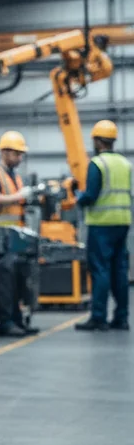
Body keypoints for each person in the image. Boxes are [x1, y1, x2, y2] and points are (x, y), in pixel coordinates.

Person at [73, 120, 130, 331]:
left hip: (101, 224)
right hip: (122, 222)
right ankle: (121, 318)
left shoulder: (97, 164)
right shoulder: (125, 164)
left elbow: (91, 195)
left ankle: (99, 318)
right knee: (120, 271)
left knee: (100, 270)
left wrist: (77, 197)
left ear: (97, 141)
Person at [0, 132, 39, 336]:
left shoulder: (14, 176)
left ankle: (17, 319)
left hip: (16, 238)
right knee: (6, 276)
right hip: (0, 238)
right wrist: (18, 196)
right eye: (17, 153)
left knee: (19, 278)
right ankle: (6, 321)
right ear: (5, 152)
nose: (20, 158)